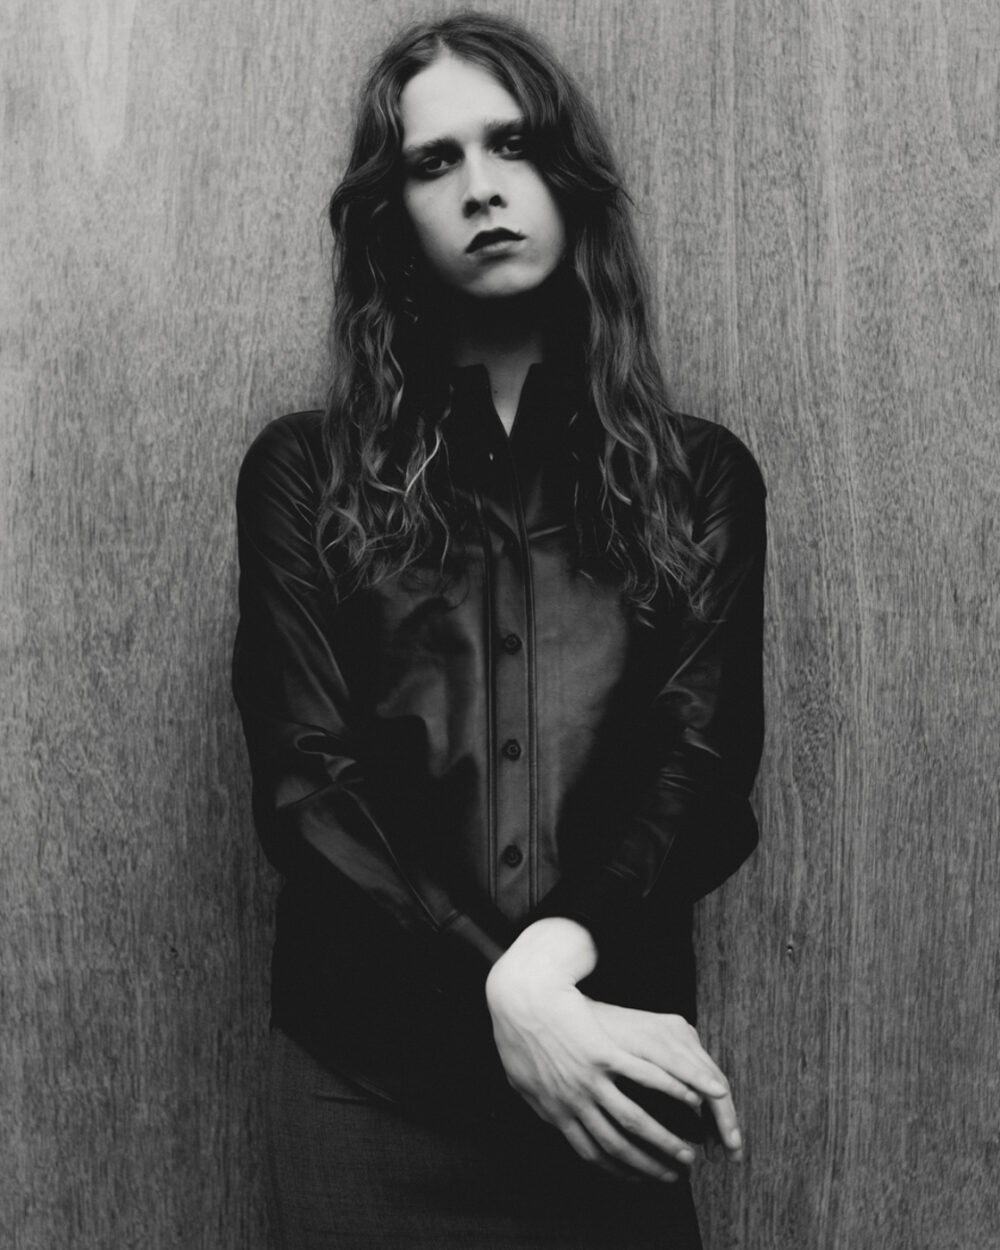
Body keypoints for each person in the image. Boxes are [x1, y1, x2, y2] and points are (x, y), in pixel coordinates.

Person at [232, 12, 766, 1248]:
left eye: (512, 143)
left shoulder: (700, 478)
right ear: (393, 216)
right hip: (366, 1083)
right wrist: (499, 980)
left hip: (603, 1068)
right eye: (435, 161)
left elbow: (699, 769)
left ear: (567, 174)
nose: (480, 186)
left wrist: (546, 969)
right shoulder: (303, 472)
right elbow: (307, 784)